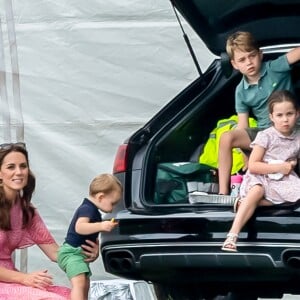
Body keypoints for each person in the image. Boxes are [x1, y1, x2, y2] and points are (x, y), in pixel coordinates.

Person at [0, 142, 99, 299]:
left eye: (23, 166)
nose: (19, 172)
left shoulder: (26, 211)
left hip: (11, 281)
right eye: (11, 167)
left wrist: (81, 253)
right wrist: (25, 278)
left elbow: (54, 253)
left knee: (68, 296)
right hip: (9, 281)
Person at [218, 31, 300, 195]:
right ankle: (223, 192)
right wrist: (246, 156)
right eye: (242, 60)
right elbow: (243, 127)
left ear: (260, 55)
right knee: (226, 137)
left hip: (291, 127)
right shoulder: (240, 91)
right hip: (264, 134)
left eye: (252, 56)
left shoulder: (275, 68)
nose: (249, 62)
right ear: (234, 64)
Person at [221, 90, 300, 252]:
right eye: (279, 115)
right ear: (271, 117)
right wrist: (279, 167)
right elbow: (253, 165)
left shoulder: (298, 136)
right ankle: (232, 235)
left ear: (297, 114)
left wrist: (292, 163)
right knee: (257, 191)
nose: (285, 119)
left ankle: (245, 203)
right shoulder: (266, 136)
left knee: (295, 197)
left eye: (289, 114)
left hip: (283, 179)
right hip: (261, 175)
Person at [58, 173, 122, 300]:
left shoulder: (93, 211)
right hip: (71, 253)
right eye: (112, 203)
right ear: (100, 197)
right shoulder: (87, 209)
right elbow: (80, 227)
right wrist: (101, 226)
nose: (113, 207)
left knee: (85, 283)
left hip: (78, 254)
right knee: (79, 282)